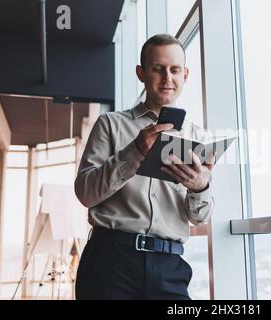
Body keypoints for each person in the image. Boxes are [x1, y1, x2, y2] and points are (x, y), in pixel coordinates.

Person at [74, 34, 215, 300]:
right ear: (141, 73)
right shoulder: (110, 124)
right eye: (157, 69)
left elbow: (199, 217)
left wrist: (200, 186)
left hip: (170, 266)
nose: (167, 78)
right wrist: (135, 151)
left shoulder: (199, 137)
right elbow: (85, 193)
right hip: (110, 261)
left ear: (186, 75)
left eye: (174, 70)